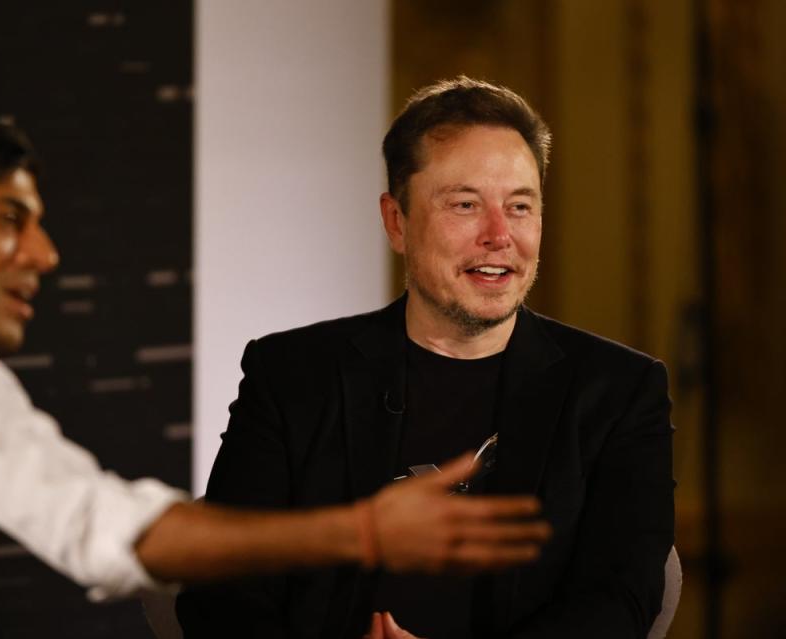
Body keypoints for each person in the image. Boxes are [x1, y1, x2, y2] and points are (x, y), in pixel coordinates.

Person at [0, 119, 553, 639]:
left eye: (520, 204)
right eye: (10, 219)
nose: (45, 253)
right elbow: (102, 533)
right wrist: (363, 529)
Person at [176, 77, 675, 639]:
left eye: (520, 206)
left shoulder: (620, 391)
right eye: (465, 204)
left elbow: (620, 601)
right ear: (397, 221)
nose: (499, 235)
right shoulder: (290, 375)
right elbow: (220, 590)